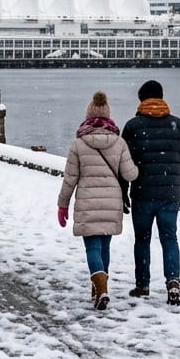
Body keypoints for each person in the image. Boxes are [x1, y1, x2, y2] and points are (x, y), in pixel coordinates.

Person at [57, 91, 138, 311]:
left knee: (92, 247)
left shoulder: (78, 144)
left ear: (88, 116)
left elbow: (69, 179)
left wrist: (62, 205)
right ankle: (100, 288)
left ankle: (100, 288)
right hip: (112, 202)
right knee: (104, 246)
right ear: (108, 116)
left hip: (87, 202)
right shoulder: (119, 143)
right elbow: (130, 174)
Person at [121, 79, 180, 305]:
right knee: (169, 238)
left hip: (142, 193)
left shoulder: (133, 126)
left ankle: (142, 285)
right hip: (169, 193)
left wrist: (123, 192)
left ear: (141, 99)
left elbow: (123, 163)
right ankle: (173, 282)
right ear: (161, 98)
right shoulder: (177, 125)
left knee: (142, 240)